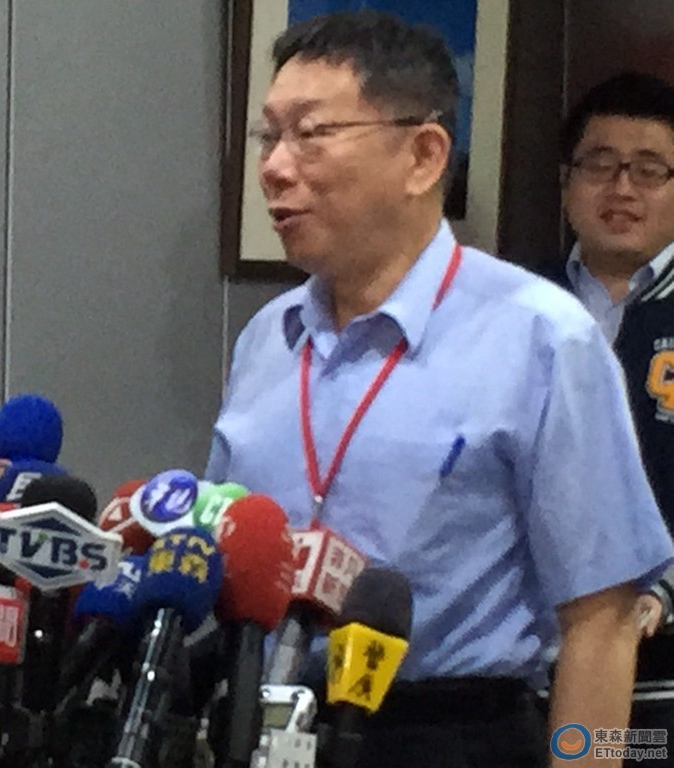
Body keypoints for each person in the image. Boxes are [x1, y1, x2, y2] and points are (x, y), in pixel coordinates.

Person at [204, 11, 674, 768]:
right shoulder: (266, 338)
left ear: (423, 157)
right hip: (256, 722)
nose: (275, 167)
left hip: (450, 732)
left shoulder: (542, 337)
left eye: (311, 134)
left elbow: (604, 622)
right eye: (269, 136)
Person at [551, 71, 674, 764]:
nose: (622, 188)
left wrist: (661, 593)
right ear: (566, 181)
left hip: (663, 688)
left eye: (649, 170)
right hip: (524, 676)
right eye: (600, 165)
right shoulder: (512, 310)